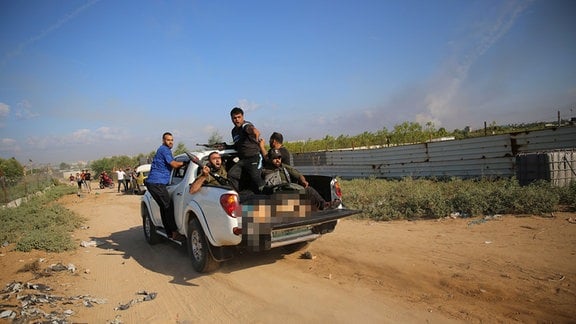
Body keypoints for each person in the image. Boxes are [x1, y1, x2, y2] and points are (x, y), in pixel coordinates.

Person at [262, 149, 340, 211]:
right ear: (269, 159)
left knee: (308, 190)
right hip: (276, 194)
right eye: (274, 158)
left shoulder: (284, 167)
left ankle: (324, 205)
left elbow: (298, 174)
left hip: (288, 190)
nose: (277, 160)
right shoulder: (265, 171)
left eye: (279, 158)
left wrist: (303, 180)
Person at [146, 132, 185, 240]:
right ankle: (173, 233)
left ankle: (169, 233)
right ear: (163, 141)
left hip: (154, 183)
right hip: (157, 183)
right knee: (168, 207)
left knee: (164, 207)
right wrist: (186, 163)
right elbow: (174, 164)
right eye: (168, 140)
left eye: (172, 140)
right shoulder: (164, 150)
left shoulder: (163, 150)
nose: (170, 142)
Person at [227, 107, 264, 193]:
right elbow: (237, 146)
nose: (237, 120)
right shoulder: (233, 131)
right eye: (234, 118)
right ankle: (238, 196)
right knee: (232, 174)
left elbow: (253, 130)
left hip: (254, 158)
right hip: (243, 160)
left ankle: (266, 195)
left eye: (239, 117)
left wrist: (255, 133)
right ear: (231, 119)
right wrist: (226, 146)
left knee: (256, 178)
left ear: (243, 117)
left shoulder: (246, 125)